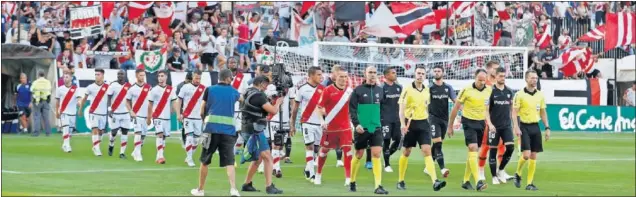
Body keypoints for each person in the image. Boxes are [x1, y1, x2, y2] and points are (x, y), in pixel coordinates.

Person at [190, 69, 240, 197]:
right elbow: (243, 101)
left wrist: (204, 120)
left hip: (211, 130)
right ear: (228, 78)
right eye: (232, 77)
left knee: (205, 160)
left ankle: (200, 190)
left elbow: (202, 109)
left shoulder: (210, 89)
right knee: (229, 161)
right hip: (228, 131)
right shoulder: (234, 92)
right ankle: (233, 189)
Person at [396, 67, 447, 191]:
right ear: (414, 74)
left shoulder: (427, 90)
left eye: (423, 74)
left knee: (427, 150)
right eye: (418, 73)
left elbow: (426, 106)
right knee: (406, 152)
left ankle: (435, 181)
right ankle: (400, 180)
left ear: (425, 76)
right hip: (410, 123)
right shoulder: (407, 89)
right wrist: (403, 124)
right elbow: (401, 108)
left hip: (423, 123)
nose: (420, 75)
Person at [447, 69, 491, 191]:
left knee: (473, 153)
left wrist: (491, 122)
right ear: (474, 77)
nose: (482, 82)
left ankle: (466, 181)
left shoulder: (489, 90)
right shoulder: (466, 89)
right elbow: (455, 108)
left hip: (481, 122)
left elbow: (488, 108)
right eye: (479, 80)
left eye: (484, 80)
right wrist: (450, 125)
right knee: (473, 148)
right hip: (468, 121)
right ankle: (478, 182)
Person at [239, 76, 284, 194]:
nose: (265, 88)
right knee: (268, 158)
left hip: (246, 127)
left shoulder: (247, 92)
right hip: (255, 130)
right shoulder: (258, 95)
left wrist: (269, 100)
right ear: (260, 83)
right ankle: (269, 186)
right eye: (265, 85)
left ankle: (247, 184)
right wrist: (278, 103)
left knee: (258, 158)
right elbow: (273, 111)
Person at [348, 66, 388, 194]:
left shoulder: (380, 90)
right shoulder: (357, 91)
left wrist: (382, 122)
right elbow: (352, 109)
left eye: (374, 73)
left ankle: (378, 186)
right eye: (370, 72)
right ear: (365, 75)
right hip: (362, 128)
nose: (372, 75)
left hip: (376, 127)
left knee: (376, 154)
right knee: (359, 154)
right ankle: (352, 181)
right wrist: (356, 124)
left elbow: (382, 108)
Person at [511, 70, 551, 191]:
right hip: (524, 126)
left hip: (535, 126)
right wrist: (516, 127)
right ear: (526, 79)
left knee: (534, 155)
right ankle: (517, 173)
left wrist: (547, 127)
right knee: (526, 155)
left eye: (536, 78)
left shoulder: (540, 95)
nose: (535, 80)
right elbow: (514, 112)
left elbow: (543, 112)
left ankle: (529, 183)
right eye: (532, 78)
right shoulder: (519, 95)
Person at [314, 69, 353, 186]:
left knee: (348, 151)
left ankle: (348, 178)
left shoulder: (350, 92)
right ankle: (318, 174)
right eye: (341, 76)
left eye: (345, 77)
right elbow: (319, 107)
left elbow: (353, 107)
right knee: (324, 151)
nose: (343, 79)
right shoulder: (327, 90)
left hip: (345, 127)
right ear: (335, 77)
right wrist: (322, 121)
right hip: (330, 127)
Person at [290, 66, 324, 183]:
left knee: (317, 148)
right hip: (307, 122)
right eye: (319, 74)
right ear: (311, 76)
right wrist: (292, 124)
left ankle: (307, 168)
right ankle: (312, 174)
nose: (321, 77)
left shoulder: (323, 89)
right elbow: (295, 109)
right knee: (309, 146)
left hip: (320, 123)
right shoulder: (302, 88)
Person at [477, 61, 506, 181]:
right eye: (495, 68)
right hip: (487, 120)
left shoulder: (499, 83)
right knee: (486, 145)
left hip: (500, 120)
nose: (497, 70)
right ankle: (480, 170)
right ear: (489, 70)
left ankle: (501, 171)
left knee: (502, 145)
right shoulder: (485, 84)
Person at [425, 65, 456, 178]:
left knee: (438, 143)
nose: (437, 73)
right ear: (433, 73)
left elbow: (455, 101)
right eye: (435, 71)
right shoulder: (429, 88)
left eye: (439, 71)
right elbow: (424, 102)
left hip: (444, 119)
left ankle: (428, 167)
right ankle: (443, 168)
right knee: (438, 143)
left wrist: (464, 111)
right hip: (433, 119)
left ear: (443, 73)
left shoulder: (448, 87)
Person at [487, 68, 516, 185]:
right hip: (494, 126)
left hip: (506, 126)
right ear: (495, 77)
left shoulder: (509, 91)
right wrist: (489, 124)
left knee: (510, 148)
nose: (502, 78)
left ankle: (501, 170)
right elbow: (486, 110)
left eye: (504, 76)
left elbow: (512, 109)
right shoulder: (491, 92)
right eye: (500, 76)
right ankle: (494, 176)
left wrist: (514, 125)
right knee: (493, 151)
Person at [148, 70, 180, 164]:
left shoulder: (170, 90)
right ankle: (161, 156)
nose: (160, 78)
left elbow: (174, 102)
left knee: (164, 137)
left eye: (162, 76)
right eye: (159, 76)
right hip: (157, 116)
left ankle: (158, 156)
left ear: (166, 77)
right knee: (160, 134)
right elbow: (150, 104)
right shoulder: (154, 90)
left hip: (167, 117)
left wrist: (177, 113)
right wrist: (149, 117)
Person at [178, 71, 206, 167]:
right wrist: (179, 113)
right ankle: (190, 158)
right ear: (192, 78)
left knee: (196, 140)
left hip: (198, 117)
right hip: (188, 116)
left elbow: (206, 103)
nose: (198, 80)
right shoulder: (185, 87)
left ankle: (189, 156)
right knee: (189, 137)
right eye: (196, 78)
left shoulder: (203, 89)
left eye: (199, 78)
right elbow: (179, 100)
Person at [79, 69, 110, 156]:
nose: (96, 76)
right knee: (95, 130)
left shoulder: (108, 87)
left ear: (103, 76)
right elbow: (84, 99)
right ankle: (97, 149)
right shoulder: (90, 87)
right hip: (93, 112)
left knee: (101, 131)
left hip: (103, 113)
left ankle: (96, 145)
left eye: (98, 74)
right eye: (95, 74)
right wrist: (80, 109)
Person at [320, 64, 345, 168]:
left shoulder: (342, 84)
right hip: (327, 115)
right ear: (333, 73)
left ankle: (339, 159)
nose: (341, 76)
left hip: (339, 114)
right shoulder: (325, 84)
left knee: (339, 137)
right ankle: (319, 156)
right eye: (338, 74)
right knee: (325, 138)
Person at [126, 69, 153, 162]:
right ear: (136, 76)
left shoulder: (149, 87)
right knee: (137, 133)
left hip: (146, 115)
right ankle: (138, 154)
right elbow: (127, 101)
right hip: (136, 115)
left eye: (143, 75)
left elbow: (151, 101)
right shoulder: (132, 88)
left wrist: (150, 115)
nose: (142, 77)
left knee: (143, 135)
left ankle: (135, 151)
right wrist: (130, 111)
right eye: (141, 75)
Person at [380, 68, 402, 173]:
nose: (395, 74)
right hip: (385, 119)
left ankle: (386, 157)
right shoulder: (381, 88)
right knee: (386, 140)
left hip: (397, 119)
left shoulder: (399, 88)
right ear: (386, 75)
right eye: (393, 73)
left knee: (398, 140)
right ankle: (387, 164)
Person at [106, 70, 132, 159]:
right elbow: (109, 98)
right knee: (114, 132)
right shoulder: (113, 85)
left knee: (125, 132)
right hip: (115, 113)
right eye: (118, 74)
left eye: (121, 74)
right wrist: (109, 109)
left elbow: (131, 100)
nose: (120, 76)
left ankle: (122, 153)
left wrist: (131, 112)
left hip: (126, 113)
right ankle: (111, 144)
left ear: (125, 76)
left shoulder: (129, 86)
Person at [55, 73, 81, 153]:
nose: (65, 78)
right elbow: (57, 101)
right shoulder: (59, 89)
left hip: (73, 112)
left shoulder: (75, 89)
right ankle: (68, 146)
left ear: (71, 78)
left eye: (67, 77)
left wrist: (79, 102)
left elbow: (79, 98)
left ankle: (64, 144)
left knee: (69, 131)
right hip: (64, 112)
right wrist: (57, 111)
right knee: (65, 127)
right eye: (64, 77)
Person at [30, 71, 52, 137]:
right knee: (46, 117)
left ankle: (36, 133)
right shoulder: (48, 82)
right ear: (44, 75)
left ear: (38, 75)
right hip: (45, 101)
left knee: (37, 117)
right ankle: (48, 133)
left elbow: (31, 90)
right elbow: (49, 90)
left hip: (37, 101)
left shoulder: (35, 82)